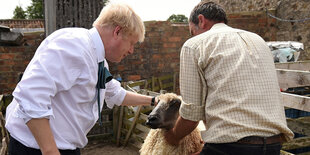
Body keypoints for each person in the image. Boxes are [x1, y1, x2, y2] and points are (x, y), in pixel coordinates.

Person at [5, 1, 157, 155]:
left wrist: (154, 101)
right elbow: (31, 95)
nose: (131, 51)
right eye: (131, 43)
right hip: (37, 149)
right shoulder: (73, 45)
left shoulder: (99, 61)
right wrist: (50, 150)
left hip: (64, 148)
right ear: (117, 31)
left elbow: (116, 94)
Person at [164, 1, 294, 155]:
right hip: (272, 145)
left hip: (230, 148)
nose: (192, 36)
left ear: (201, 20)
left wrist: (173, 137)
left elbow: (191, 115)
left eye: (192, 31)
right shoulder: (258, 41)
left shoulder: (194, 45)